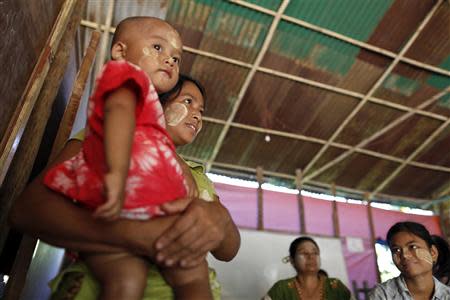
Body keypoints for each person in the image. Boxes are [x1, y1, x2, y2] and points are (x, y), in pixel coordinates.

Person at [9, 45, 240, 300]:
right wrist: (136, 235)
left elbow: (228, 251)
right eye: (188, 102)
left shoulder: (200, 177)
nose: (197, 116)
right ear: (157, 102)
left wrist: (221, 220)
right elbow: (28, 211)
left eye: (202, 111)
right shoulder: (110, 139)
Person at [39, 16, 215, 300]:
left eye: (176, 57)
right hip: (117, 215)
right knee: (127, 278)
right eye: (158, 48)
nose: (170, 60)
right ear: (121, 52)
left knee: (192, 273)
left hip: (147, 222)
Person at [369, 222, 450, 299]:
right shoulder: (382, 295)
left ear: (433, 253)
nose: (404, 255)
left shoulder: (447, 295)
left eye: (413, 247)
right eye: (396, 250)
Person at [263, 236, 351, 300]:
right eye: (304, 253)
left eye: (315, 253)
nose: (311, 256)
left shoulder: (336, 287)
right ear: (292, 260)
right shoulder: (282, 289)